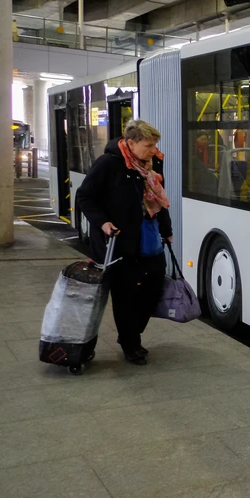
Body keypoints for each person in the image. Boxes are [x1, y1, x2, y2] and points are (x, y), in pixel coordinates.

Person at [77, 120, 171, 365]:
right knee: (125, 294)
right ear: (131, 143)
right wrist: (103, 222)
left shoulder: (152, 164)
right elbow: (85, 197)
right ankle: (131, 344)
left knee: (154, 284)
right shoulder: (108, 164)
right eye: (148, 145)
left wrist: (167, 229)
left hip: (148, 236)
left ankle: (132, 334)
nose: (153, 150)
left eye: (154, 145)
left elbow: (159, 199)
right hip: (118, 242)